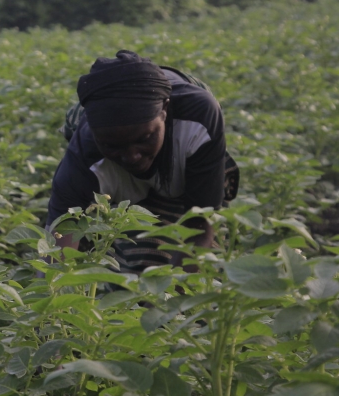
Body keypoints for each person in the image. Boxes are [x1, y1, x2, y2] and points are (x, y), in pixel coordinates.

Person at [47, 50, 238, 271]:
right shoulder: (83, 154)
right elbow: (58, 248)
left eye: (145, 139)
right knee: (102, 242)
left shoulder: (198, 120)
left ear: (165, 110)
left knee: (176, 256)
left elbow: (199, 225)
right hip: (107, 169)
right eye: (113, 145)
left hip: (185, 161)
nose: (132, 156)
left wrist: (172, 298)